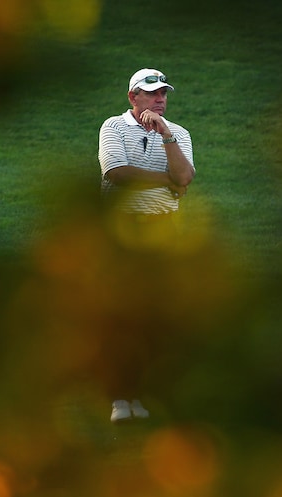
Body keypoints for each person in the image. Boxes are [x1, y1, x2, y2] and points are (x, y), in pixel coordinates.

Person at [97, 68, 196, 422]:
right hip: (122, 232)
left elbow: (185, 177)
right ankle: (120, 399)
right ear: (132, 98)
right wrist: (166, 179)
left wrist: (166, 134)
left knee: (156, 320)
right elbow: (116, 172)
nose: (160, 99)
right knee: (122, 318)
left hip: (164, 232)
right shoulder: (113, 127)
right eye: (151, 93)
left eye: (163, 93)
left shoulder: (179, 133)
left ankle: (143, 396)